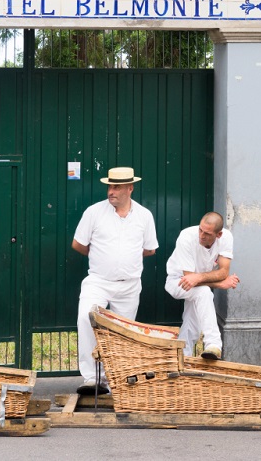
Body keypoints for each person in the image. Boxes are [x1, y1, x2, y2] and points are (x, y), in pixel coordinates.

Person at [71, 166, 158, 395]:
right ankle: (92, 379)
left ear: (130, 188)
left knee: (122, 331)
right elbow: (78, 244)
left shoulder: (144, 215)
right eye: (110, 186)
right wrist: (104, 257)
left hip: (129, 285)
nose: (111, 191)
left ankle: (114, 379)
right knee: (85, 318)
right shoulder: (94, 212)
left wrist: (124, 259)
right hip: (98, 281)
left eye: (117, 187)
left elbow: (149, 249)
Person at [165, 212, 239, 360]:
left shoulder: (226, 237)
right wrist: (219, 284)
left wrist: (200, 277)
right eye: (200, 230)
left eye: (207, 233)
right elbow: (188, 279)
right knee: (204, 292)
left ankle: (182, 359)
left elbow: (224, 271)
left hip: (198, 283)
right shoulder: (186, 236)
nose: (201, 235)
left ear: (218, 235)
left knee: (192, 327)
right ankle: (214, 344)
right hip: (177, 282)